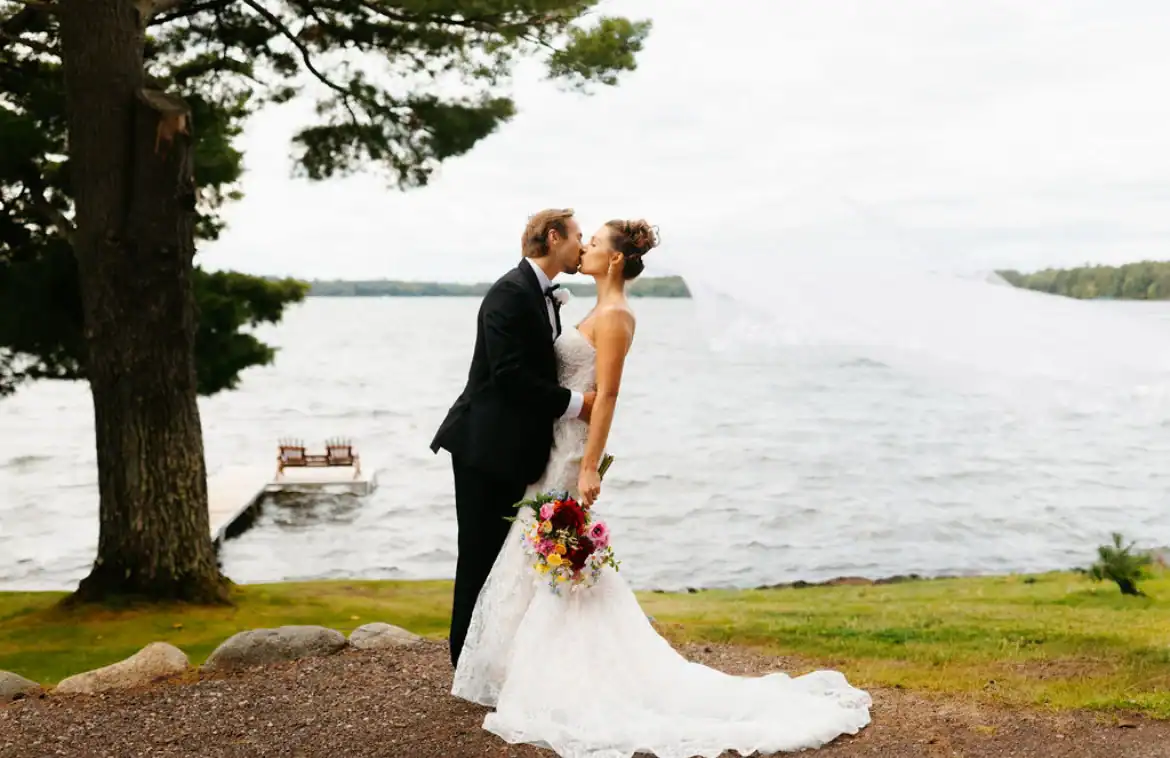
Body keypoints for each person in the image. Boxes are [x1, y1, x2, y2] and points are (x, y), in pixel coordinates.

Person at [451, 218, 872, 757]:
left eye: (596, 243)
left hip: (572, 451)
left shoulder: (618, 315)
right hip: (552, 445)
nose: (587, 248)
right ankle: (522, 667)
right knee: (535, 558)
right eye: (586, 239)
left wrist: (590, 467)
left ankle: (564, 677)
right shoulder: (590, 307)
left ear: (617, 260)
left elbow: (606, 397)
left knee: (553, 557)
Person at [431, 208, 596, 668]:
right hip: (484, 449)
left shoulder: (542, 295)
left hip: (515, 451)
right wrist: (580, 405)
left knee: (504, 560)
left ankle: (492, 660)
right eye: (579, 236)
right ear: (553, 236)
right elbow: (508, 376)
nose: (582, 245)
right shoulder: (510, 292)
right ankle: (464, 664)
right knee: (479, 557)